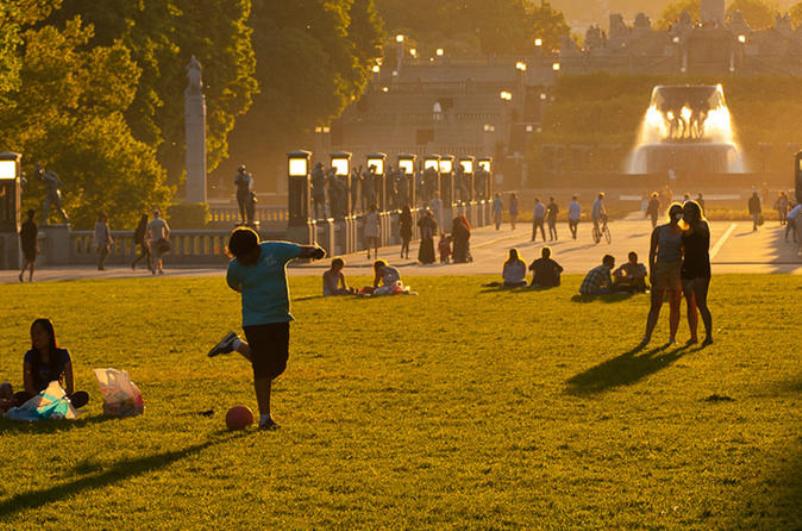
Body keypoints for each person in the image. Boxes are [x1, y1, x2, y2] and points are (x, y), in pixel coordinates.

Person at [207, 228, 325, 430]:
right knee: (262, 368)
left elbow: (301, 250)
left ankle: (234, 343)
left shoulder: (274, 251)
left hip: (280, 317)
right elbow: (234, 285)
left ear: (256, 248)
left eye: (247, 255)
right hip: (254, 320)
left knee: (278, 365)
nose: (244, 260)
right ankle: (265, 418)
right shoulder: (235, 267)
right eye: (240, 257)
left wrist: (315, 251)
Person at [8, 318, 89, 410]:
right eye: (33, 335)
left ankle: (59, 405)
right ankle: (59, 407)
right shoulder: (30, 356)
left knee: (82, 396)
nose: (35, 338)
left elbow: (70, 388)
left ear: (49, 335)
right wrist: (42, 399)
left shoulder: (63, 355)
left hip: (57, 397)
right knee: (19, 398)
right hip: (35, 398)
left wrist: (56, 397)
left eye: (39, 333)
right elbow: (28, 388)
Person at [640, 203, 685, 347]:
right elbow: (652, 252)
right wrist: (652, 271)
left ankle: (672, 337)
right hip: (661, 269)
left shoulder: (682, 232)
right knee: (655, 305)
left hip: (676, 270)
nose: (677, 218)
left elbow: (685, 253)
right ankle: (647, 335)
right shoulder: (659, 231)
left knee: (675, 305)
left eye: (679, 215)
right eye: (675, 214)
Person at [681, 200, 713, 346]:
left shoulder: (702, 225)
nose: (686, 214)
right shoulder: (684, 228)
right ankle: (693, 336)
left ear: (695, 212)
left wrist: (689, 224)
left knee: (701, 303)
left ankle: (708, 335)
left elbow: (700, 236)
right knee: (690, 304)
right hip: (687, 267)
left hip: (701, 267)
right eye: (684, 211)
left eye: (688, 211)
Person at [148, 209, 171, 275]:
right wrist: (166, 238)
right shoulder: (162, 221)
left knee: (154, 255)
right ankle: (159, 269)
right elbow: (168, 231)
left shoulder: (151, 222)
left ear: (153, 215)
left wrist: (148, 238)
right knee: (159, 256)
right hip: (160, 241)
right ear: (159, 214)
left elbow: (147, 232)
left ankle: (155, 269)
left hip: (153, 241)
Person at [18, 209, 37, 283]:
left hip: (25, 245)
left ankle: (22, 274)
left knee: (28, 260)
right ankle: (30, 278)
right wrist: (36, 246)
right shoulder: (33, 225)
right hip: (31, 245)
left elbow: (21, 234)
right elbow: (34, 237)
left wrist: (23, 244)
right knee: (31, 262)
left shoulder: (24, 224)